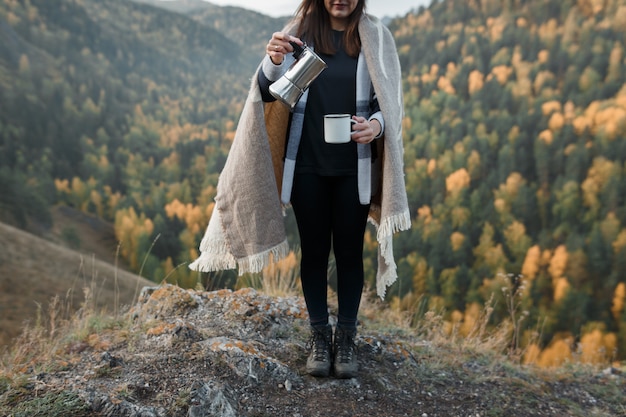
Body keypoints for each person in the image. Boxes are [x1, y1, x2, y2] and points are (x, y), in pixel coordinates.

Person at [189, 0, 410, 379]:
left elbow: (389, 103)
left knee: (349, 253)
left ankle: (347, 338)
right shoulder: (300, 33)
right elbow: (268, 92)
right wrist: (274, 60)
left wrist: (375, 126)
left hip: (353, 168)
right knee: (313, 253)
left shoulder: (375, 36)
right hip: (306, 165)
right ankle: (319, 338)